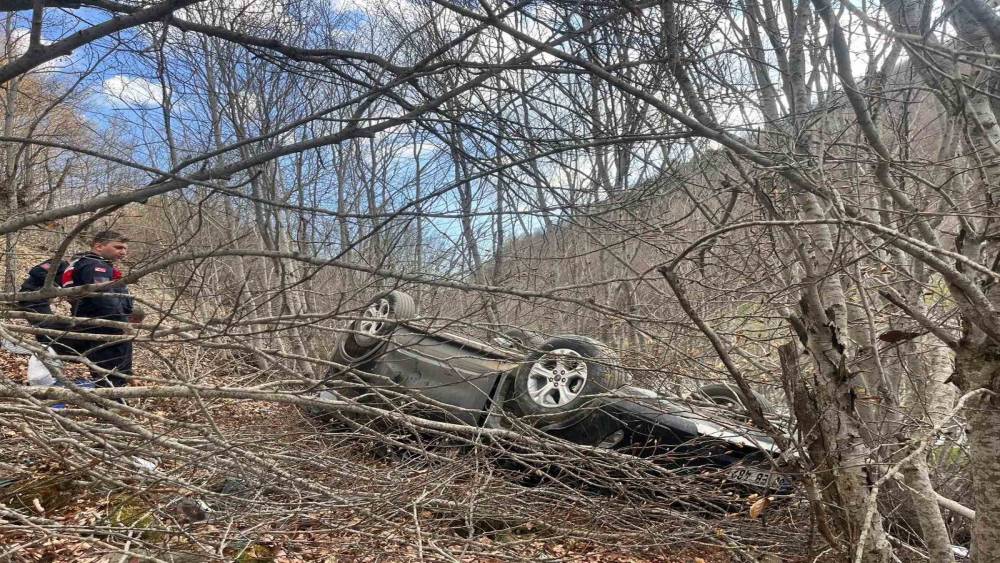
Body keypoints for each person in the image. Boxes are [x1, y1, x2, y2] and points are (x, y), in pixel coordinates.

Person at [56, 230, 137, 389]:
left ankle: (112, 402)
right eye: (118, 247)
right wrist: (121, 323)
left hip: (100, 323)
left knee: (110, 371)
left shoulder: (88, 263)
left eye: (125, 249)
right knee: (111, 372)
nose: (123, 252)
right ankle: (112, 405)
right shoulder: (94, 265)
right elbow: (103, 299)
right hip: (104, 325)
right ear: (99, 246)